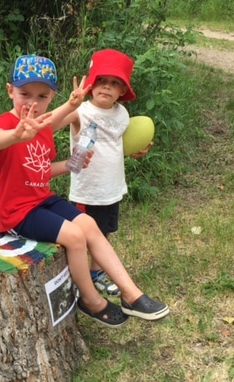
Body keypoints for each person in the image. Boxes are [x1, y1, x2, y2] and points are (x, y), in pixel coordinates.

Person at [0, 54, 168, 328]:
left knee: (90, 225)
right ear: (10, 91)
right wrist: (16, 135)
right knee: (74, 235)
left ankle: (133, 295)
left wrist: (70, 165)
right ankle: (90, 300)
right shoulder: (8, 123)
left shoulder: (43, 126)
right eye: (25, 94)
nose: (33, 103)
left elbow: (41, 171)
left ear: (51, 97)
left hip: (41, 199)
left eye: (42, 96)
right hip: (17, 213)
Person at [61, 48, 153, 297]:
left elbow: (117, 144)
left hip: (111, 188)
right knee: (80, 238)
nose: (106, 87)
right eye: (101, 80)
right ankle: (78, 281)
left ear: (122, 91)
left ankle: (96, 273)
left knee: (104, 233)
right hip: (87, 190)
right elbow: (54, 122)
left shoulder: (121, 113)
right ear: (91, 84)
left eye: (115, 83)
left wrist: (134, 151)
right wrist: (71, 104)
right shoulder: (81, 112)